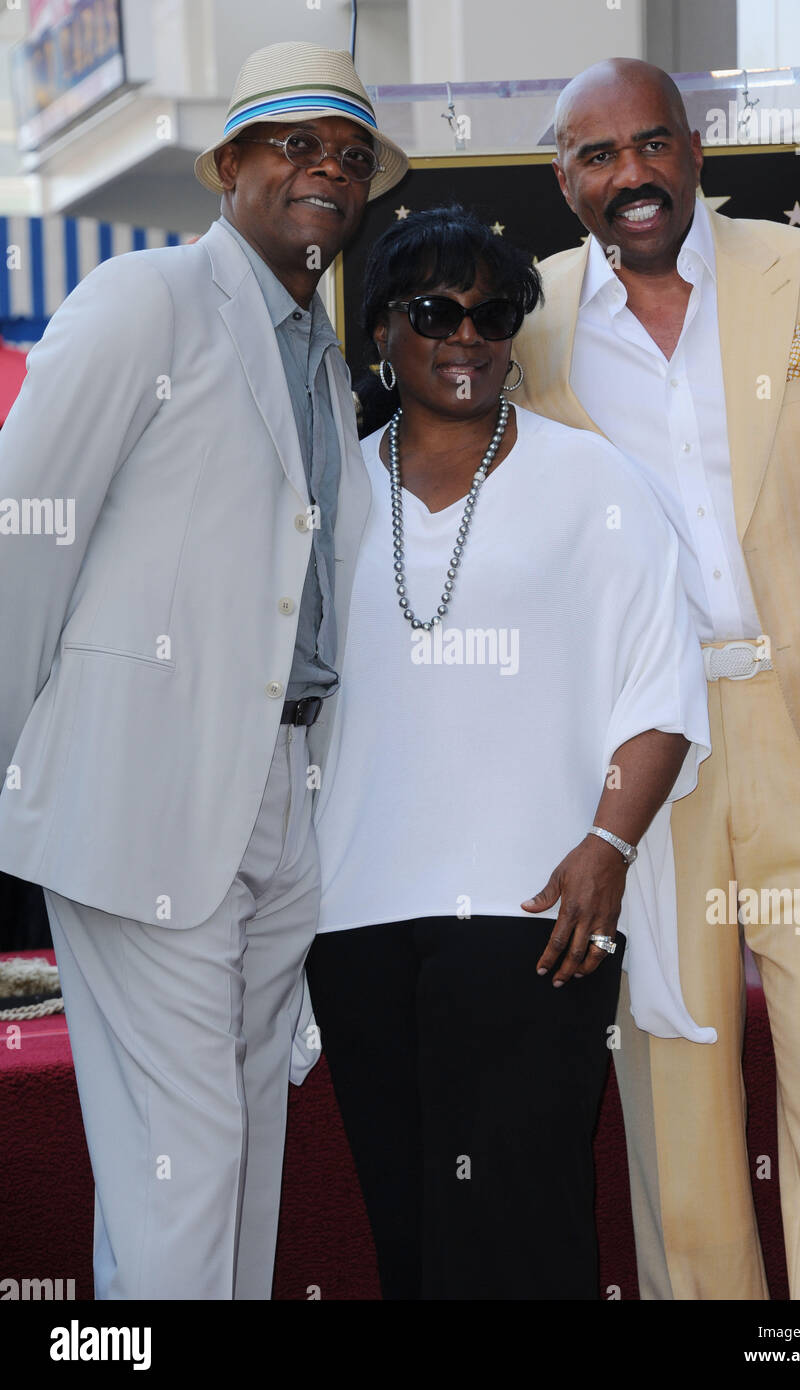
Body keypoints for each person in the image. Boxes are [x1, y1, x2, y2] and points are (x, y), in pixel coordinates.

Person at [512, 56, 800, 1301]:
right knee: (675, 1113)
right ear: (563, 181)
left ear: (694, 152)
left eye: (650, 145)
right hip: (648, 768)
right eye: (597, 156)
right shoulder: (526, 326)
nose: (629, 174)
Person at [0, 41, 407, 1300]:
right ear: (228, 166)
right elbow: (26, 536)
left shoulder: (324, 367)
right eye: (292, 144)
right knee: (186, 1164)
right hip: (143, 794)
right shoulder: (144, 300)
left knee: (229, 1160)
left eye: (346, 155)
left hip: (281, 795)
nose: (323, 171)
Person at [305, 205, 711, 1301]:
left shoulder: (597, 484)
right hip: (353, 920)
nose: (468, 335)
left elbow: (661, 691)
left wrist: (606, 842)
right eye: (436, 310)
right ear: (382, 329)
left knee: (522, 1230)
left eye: (494, 313)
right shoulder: (325, 494)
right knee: (412, 1235)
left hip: (539, 913)